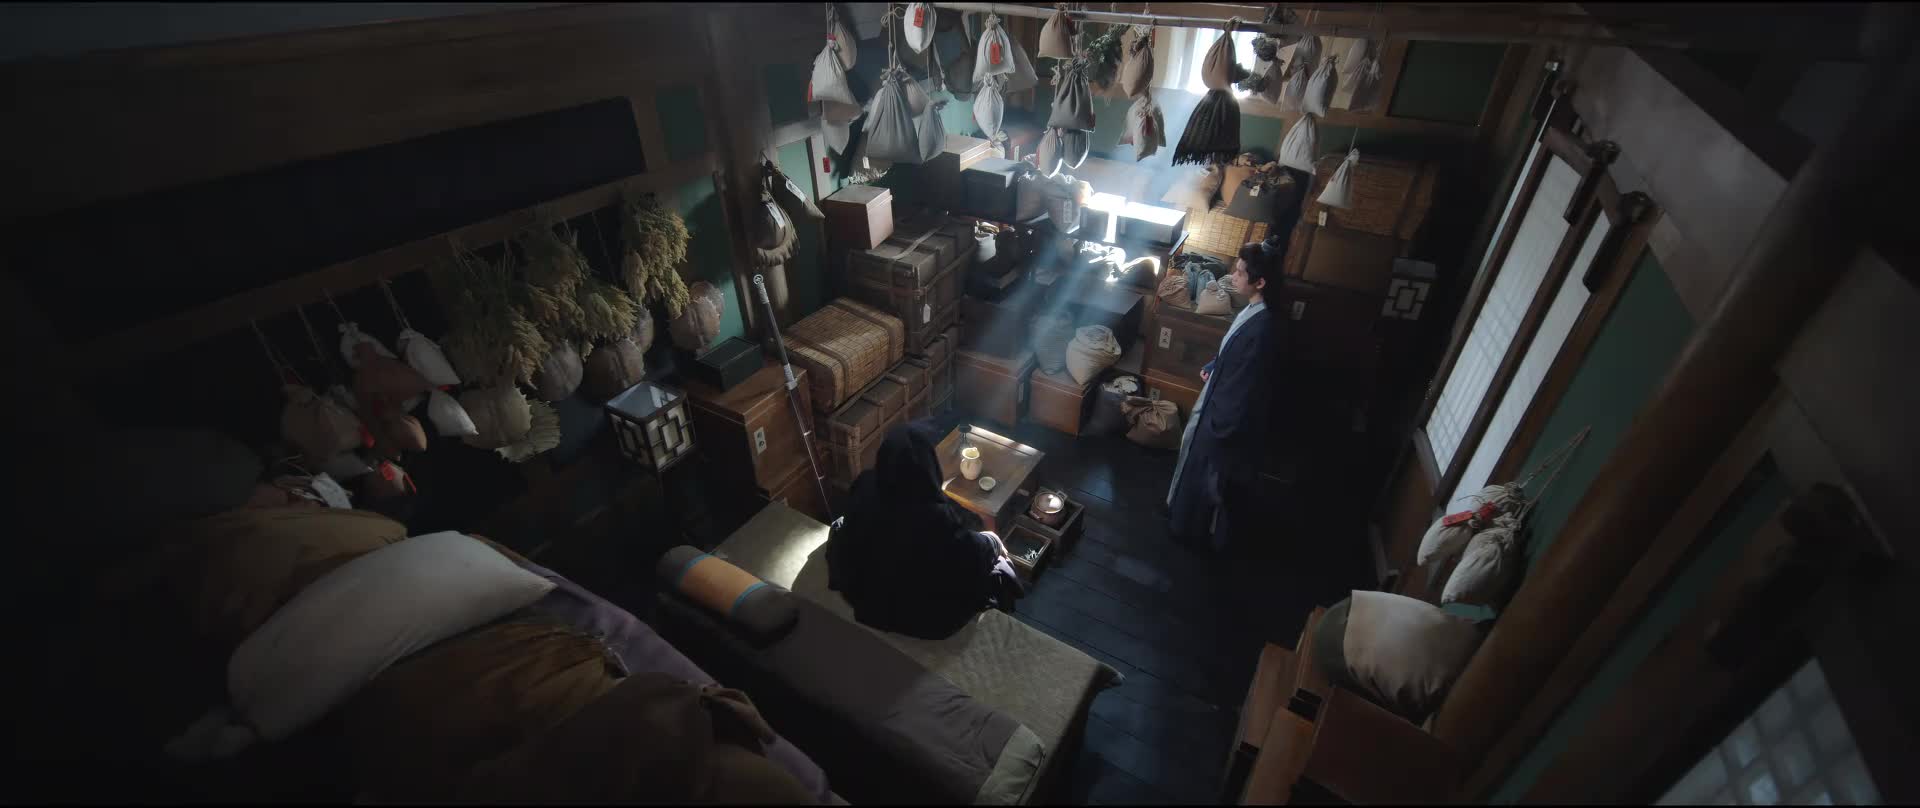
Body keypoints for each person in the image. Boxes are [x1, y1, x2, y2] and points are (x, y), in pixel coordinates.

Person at [826, 422, 1025, 640]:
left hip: (866, 595)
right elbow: (970, 553)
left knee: (844, 526)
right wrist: (993, 540)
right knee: (999, 568)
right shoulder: (935, 517)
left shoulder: (866, 484)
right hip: (920, 617)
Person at [1166, 234, 1284, 552]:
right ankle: (1178, 517)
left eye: (1241, 272)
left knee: (1206, 477)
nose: (1233, 276)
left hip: (1224, 416)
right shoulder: (1252, 311)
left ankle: (1188, 531)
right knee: (1192, 461)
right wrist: (1214, 364)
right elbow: (1231, 352)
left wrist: (1220, 425)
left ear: (1260, 282)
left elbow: (1248, 384)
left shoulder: (1264, 327)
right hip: (1217, 398)